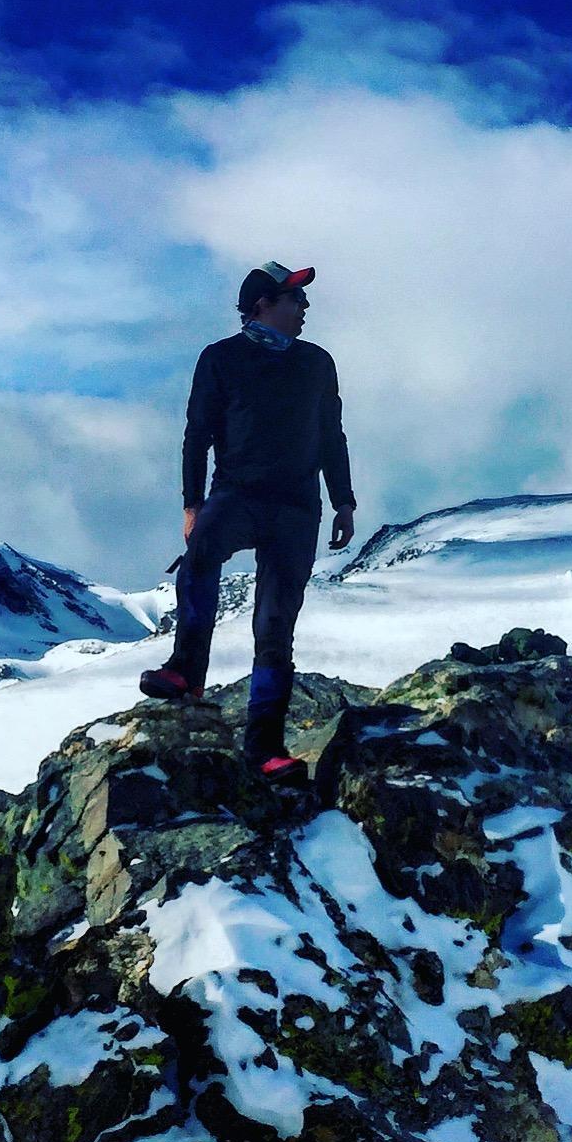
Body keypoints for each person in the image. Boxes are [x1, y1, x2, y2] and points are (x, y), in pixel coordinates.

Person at [138, 262, 355, 774]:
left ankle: (265, 748)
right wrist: (192, 506)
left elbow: (331, 437)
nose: (304, 309)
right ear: (262, 305)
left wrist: (344, 500)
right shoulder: (220, 359)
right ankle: (186, 671)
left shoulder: (317, 363)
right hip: (236, 494)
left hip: (297, 508)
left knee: (275, 624)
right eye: (293, 300)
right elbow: (198, 435)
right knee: (200, 557)